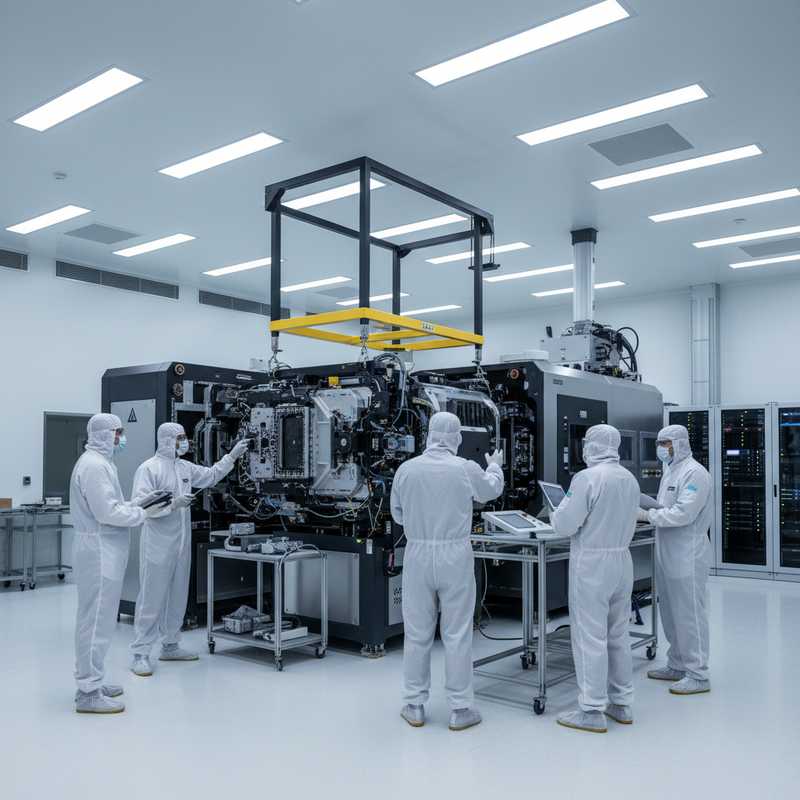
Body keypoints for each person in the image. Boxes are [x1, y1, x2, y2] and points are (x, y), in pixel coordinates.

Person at [390, 411, 504, 731]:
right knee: (456, 633)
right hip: (455, 555)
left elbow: (397, 515)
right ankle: (460, 708)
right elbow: (490, 490)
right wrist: (494, 465)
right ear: (457, 437)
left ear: (428, 434)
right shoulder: (466, 468)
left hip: (418, 554)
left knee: (417, 633)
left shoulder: (406, 470)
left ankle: (413, 705)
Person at [129, 423, 250, 676]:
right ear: (167, 439)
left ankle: (171, 645)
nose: (185, 442)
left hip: (181, 542)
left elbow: (210, 476)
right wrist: (173, 505)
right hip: (157, 543)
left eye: (185, 437)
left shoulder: (184, 467)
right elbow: (140, 507)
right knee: (151, 597)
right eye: (181, 438)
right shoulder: (148, 469)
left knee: (178, 594)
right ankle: (140, 653)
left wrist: (233, 456)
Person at [70, 413, 170, 714]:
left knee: (98, 618)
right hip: (99, 552)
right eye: (118, 433)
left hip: (103, 550)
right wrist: (143, 514)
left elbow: (111, 506)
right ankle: (88, 691)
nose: (121, 438)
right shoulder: (94, 466)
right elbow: (107, 514)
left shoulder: (101, 464)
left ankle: (93, 682)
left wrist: (141, 503)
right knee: (96, 620)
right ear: (104, 435)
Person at [550, 424, 640, 734]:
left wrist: (555, 511)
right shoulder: (628, 478)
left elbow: (564, 524)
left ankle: (590, 709)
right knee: (618, 634)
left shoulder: (587, 478)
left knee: (590, 636)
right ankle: (621, 702)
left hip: (592, 564)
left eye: (586, 442)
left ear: (592, 446)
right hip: (621, 561)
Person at [639, 424, 713, 695]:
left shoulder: (695, 473)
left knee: (689, 613)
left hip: (687, 554)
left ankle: (698, 673)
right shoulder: (671, 471)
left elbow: (683, 513)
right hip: (667, 551)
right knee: (670, 612)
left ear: (680, 443)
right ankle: (677, 664)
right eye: (659, 443)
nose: (661, 448)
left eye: (666, 443)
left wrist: (646, 515)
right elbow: (666, 507)